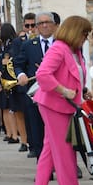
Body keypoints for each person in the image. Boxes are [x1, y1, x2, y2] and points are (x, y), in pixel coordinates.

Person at [29, 15, 90, 185]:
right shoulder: (59, 48)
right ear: (75, 33)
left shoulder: (74, 51)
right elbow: (43, 74)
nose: (86, 38)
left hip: (64, 105)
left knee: (50, 152)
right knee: (65, 154)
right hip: (55, 105)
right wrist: (64, 91)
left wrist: (82, 91)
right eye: (84, 34)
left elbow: (74, 75)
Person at [14, 12, 56, 159]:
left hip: (57, 94)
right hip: (35, 94)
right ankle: (43, 162)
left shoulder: (61, 44)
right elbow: (18, 64)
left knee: (57, 131)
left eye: (47, 22)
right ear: (37, 27)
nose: (44, 26)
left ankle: (62, 163)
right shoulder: (28, 45)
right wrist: (21, 75)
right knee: (37, 129)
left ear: (54, 25)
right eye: (41, 23)